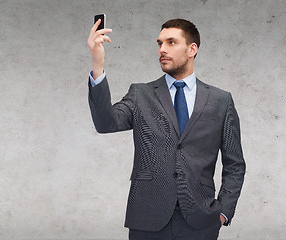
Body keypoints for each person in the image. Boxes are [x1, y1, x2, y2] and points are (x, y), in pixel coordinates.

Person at [87, 18, 246, 240]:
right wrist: (97, 65)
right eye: (160, 43)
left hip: (201, 220)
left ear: (192, 49)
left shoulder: (221, 100)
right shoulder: (140, 94)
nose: (162, 49)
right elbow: (106, 123)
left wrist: (223, 212)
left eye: (171, 42)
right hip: (147, 219)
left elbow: (235, 164)